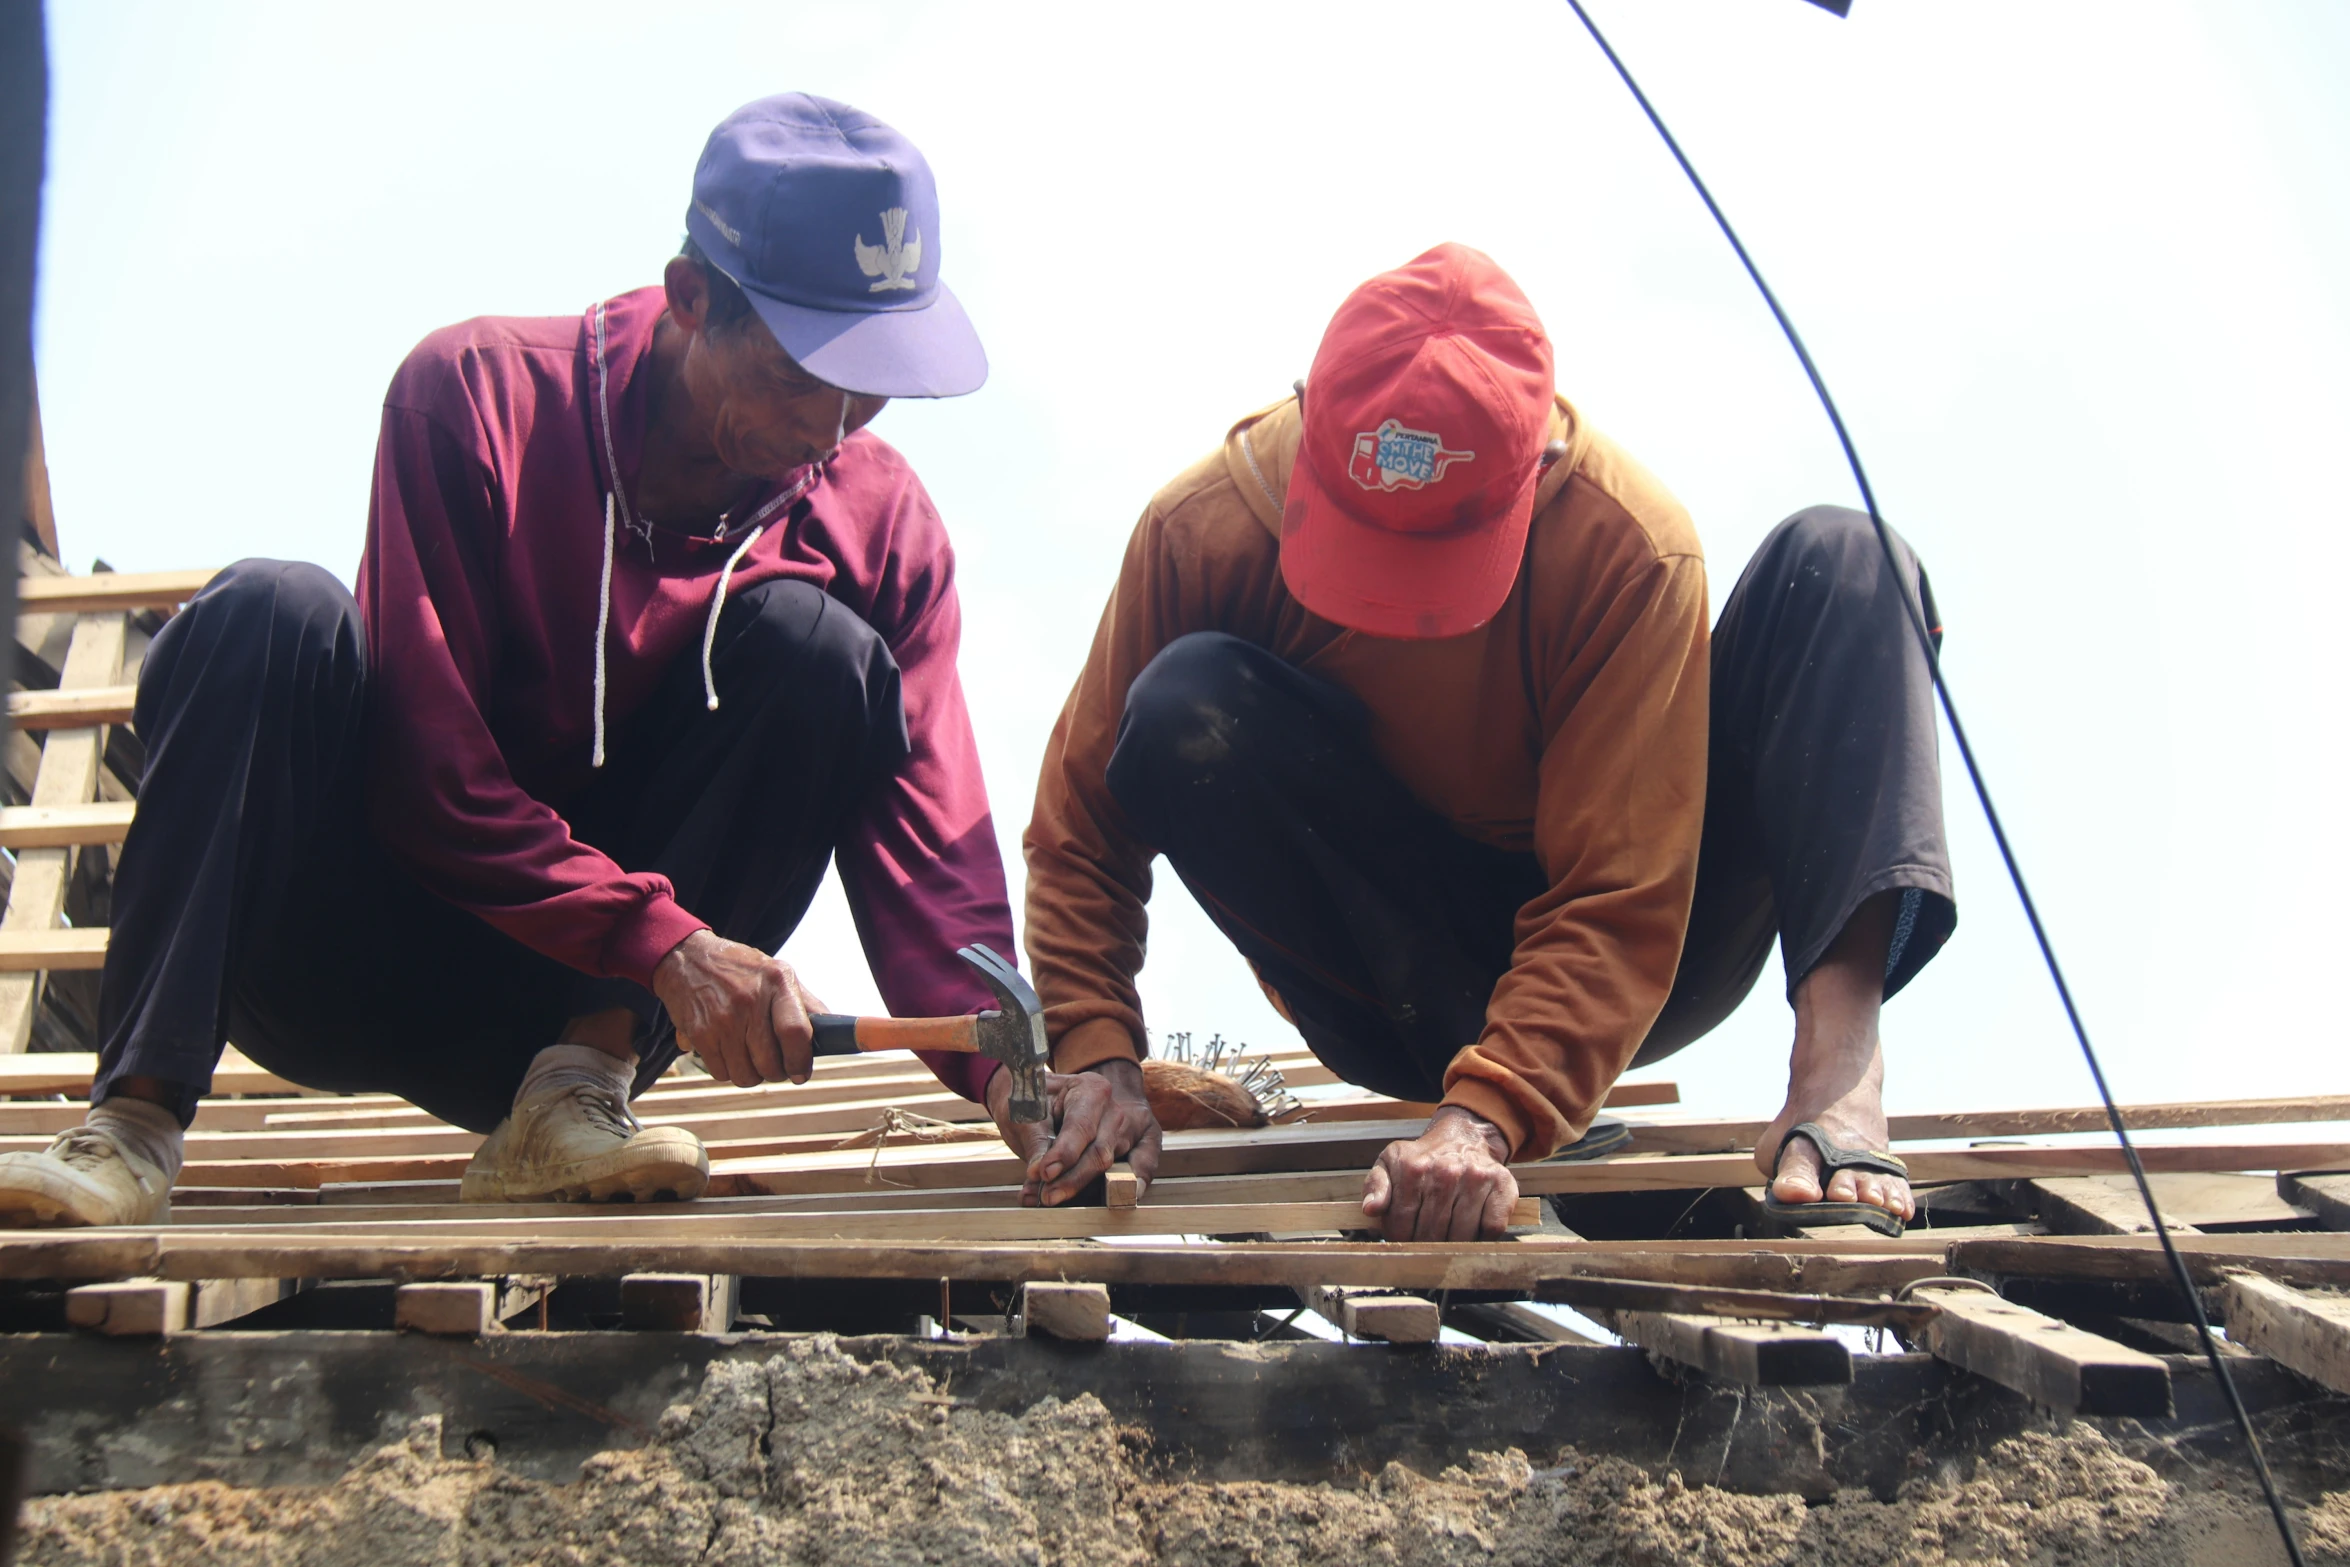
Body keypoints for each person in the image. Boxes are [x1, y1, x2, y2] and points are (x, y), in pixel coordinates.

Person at [0, 92, 1017, 1227]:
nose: (832, 428)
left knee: (823, 653)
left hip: (583, 1014)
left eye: (870, 383)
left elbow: (936, 850)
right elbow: (426, 776)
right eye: (799, 373)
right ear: (690, 300)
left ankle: (571, 1096)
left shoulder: (881, 522)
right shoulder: (477, 397)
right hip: (341, 958)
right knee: (266, 609)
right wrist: (669, 942)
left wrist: (1028, 1075)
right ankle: (130, 1127)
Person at [1005, 243, 1955, 1240]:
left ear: (1537, 462)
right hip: (1388, 971)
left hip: (1637, 950)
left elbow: (1618, 898)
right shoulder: (1203, 528)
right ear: (1311, 418)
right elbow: (1079, 834)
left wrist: (1488, 1115)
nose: (1398, 608)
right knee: (1181, 700)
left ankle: (1837, 1081)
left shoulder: (1625, 545)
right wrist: (1095, 1046)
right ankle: (1492, 1071)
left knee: (1851, 563)